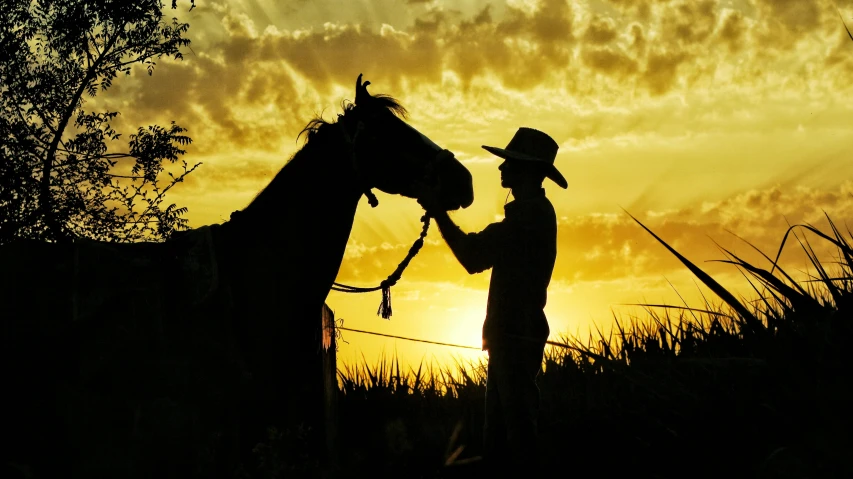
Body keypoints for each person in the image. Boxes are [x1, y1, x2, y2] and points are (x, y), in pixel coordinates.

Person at [416, 127, 566, 473]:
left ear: (526, 171)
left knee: (514, 433)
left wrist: (438, 211)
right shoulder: (534, 214)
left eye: (508, 163)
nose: (501, 168)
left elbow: (472, 256)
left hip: (515, 336)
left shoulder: (530, 217)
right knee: (501, 435)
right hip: (512, 335)